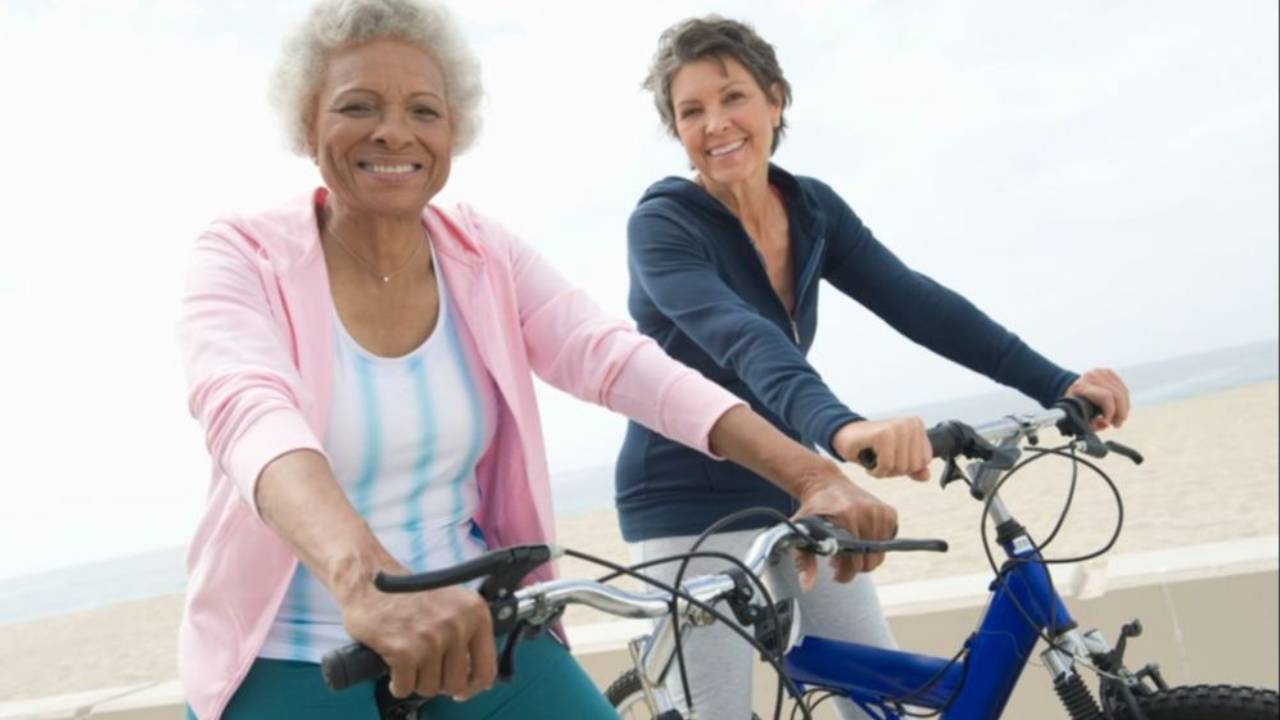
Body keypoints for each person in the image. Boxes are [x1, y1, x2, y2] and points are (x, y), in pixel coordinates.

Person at [176, 2, 903, 718]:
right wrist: (365, 582)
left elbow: (618, 361)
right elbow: (250, 414)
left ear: (452, 132)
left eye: (424, 111)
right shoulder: (244, 255)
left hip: (476, 630)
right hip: (292, 651)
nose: (394, 131)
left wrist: (812, 475)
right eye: (358, 106)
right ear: (309, 123)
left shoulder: (482, 254)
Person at [618, 15, 1133, 720]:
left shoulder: (810, 209)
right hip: (688, 501)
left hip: (799, 486)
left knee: (880, 703)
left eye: (733, 97)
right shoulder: (663, 226)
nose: (715, 124)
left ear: (775, 99)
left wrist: (1057, 383)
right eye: (691, 111)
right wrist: (842, 428)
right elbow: (743, 338)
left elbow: (916, 302)